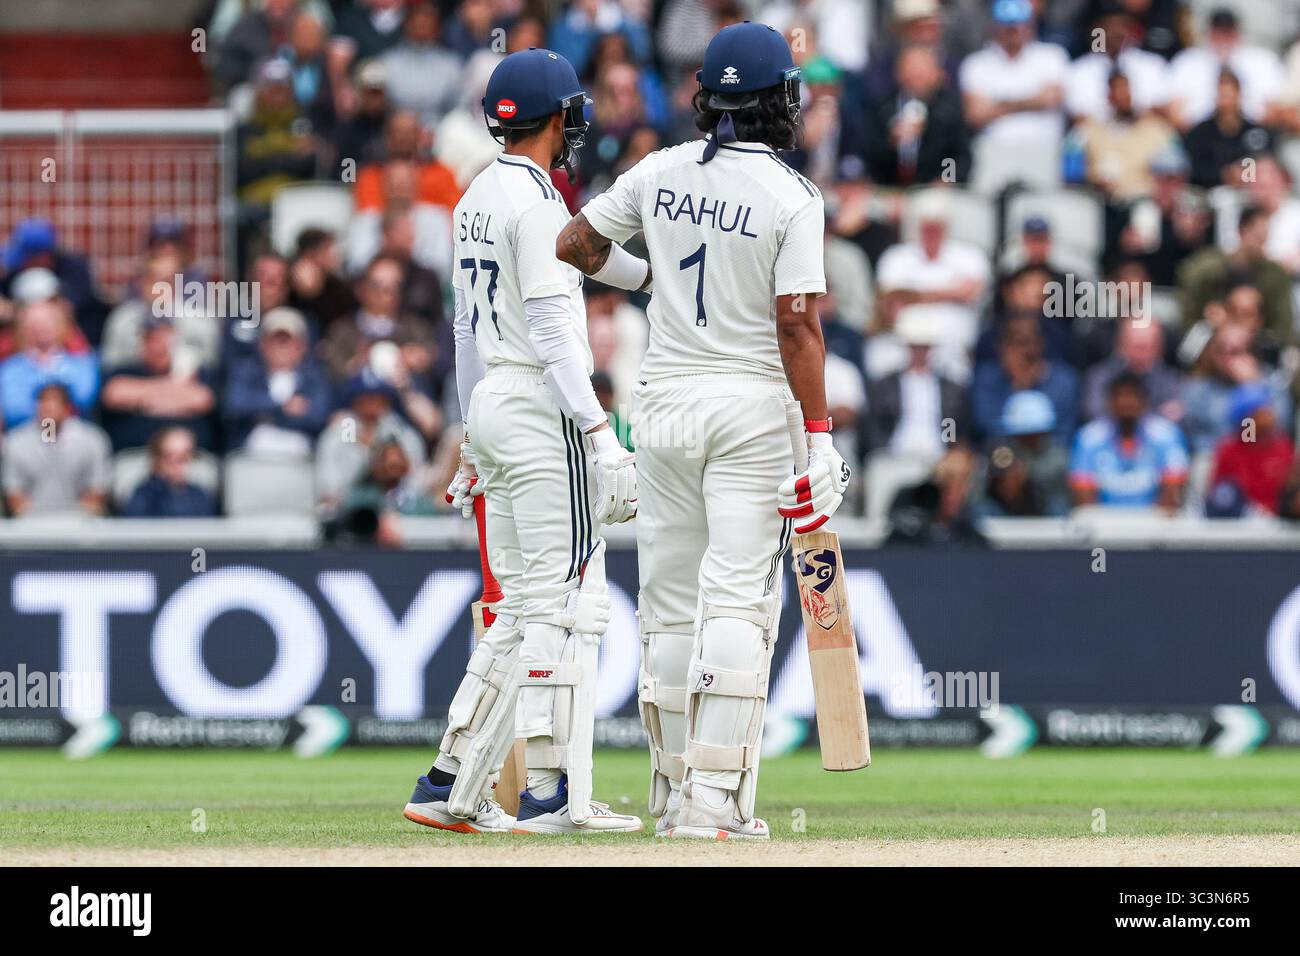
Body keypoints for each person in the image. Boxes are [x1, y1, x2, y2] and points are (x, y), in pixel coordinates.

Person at [556, 22, 841, 840]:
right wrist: (819, 439)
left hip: (662, 408)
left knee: (670, 605)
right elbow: (798, 326)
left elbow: (574, 243)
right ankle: (711, 806)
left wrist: (646, 281)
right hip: (749, 408)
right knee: (737, 603)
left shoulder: (659, 170)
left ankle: (676, 791)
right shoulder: (792, 196)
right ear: (778, 101)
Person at [402, 49, 641, 837]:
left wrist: (473, 431)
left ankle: (447, 781)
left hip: (495, 405)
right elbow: (548, 326)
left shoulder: (474, 195)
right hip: (541, 408)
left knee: (518, 606)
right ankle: (549, 792)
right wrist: (601, 432)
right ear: (560, 118)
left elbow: (467, 331)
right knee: (566, 602)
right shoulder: (540, 203)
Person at [1069, 371, 1188, 511]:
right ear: (1109, 402)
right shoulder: (1089, 437)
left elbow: (1173, 490)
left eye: (1132, 395)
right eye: (1119, 396)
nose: (1126, 402)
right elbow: (1083, 495)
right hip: (1103, 524)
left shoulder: (1167, 434)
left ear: (1145, 401)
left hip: (1154, 525)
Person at [1, 383, 111, 516]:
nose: (47, 407)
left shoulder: (93, 439)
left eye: (53, 402)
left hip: (82, 525)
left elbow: (97, 492)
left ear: (68, 408)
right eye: (43, 401)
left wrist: (71, 518)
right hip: (30, 526)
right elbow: (14, 495)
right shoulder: (16, 442)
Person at [122, 427, 219, 518]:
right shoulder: (143, 496)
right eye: (169, 456)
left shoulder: (198, 494)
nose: (177, 464)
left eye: (184, 457)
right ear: (157, 457)